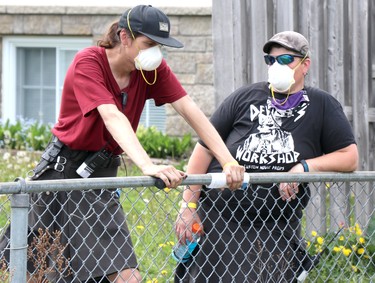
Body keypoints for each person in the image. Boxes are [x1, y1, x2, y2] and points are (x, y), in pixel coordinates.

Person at [0, 5, 244, 283]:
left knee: (127, 277)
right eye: (149, 44)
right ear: (124, 36)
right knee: (44, 273)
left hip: (101, 175)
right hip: (62, 171)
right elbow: (111, 115)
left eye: (160, 46)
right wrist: (147, 165)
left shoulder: (151, 70)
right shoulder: (88, 62)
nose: (156, 53)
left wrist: (227, 160)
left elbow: (190, 111)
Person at [174, 31, 358, 282]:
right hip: (222, 222)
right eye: (270, 60)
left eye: (285, 60)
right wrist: (188, 206)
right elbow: (204, 149)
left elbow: (349, 157)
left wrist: (303, 167)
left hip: (276, 227)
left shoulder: (322, 105)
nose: (275, 66)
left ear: (305, 65)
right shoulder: (244, 97)